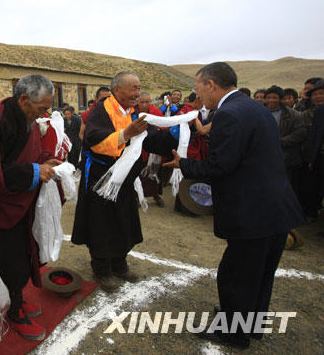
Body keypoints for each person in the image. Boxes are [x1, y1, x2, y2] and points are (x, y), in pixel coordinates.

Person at [165, 62, 305, 349]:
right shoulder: (254, 107)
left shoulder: (229, 114)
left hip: (253, 212)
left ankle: (234, 334)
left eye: (198, 87)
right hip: (275, 208)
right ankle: (249, 325)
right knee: (261, 274)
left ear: (212, 85)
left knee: (236, 274)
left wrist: (185, 164)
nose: (198, 93)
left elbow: (221, 166)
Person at [0, 74, 60, 341]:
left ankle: (15, 299)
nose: (44, 114)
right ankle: (14, 310)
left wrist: (45, 159)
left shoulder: (25, 118)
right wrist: (34, 171)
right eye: (42, 108)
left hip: (17, 201)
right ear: (23, 99)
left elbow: (25, 154)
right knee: (10, 260)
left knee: (22, 253)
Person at [72, 72, 175, 292]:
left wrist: (175, 139)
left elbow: (149, 136)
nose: (137, 94)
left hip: (125, 181)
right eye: (133, 89)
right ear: (117, 90)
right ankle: (102, 269)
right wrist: (126, 134)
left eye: (139, 88)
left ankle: (120, 264)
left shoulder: (132, 113)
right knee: (101, 224)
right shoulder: (101, 111)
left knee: (123, 222)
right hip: (102, 181)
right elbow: (94, 139)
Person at [135, 92, 165, 207]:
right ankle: (137, 196)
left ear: (150, 101)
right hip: (138, 147)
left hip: (153, 147)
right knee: (138, 173)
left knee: (153, 172)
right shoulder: (134, 112)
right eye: (142, 102)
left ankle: (155, 195)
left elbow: (163, 126)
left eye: (147, 102)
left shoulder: (155, 112)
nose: (144, 104)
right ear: (138, 102)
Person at [299, 80, 324, 220]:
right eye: (315, 94)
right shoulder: (315, 113)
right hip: (318, 157)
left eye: (321, 93)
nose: (318, 97)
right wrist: (311, 158)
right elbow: (314, 138)